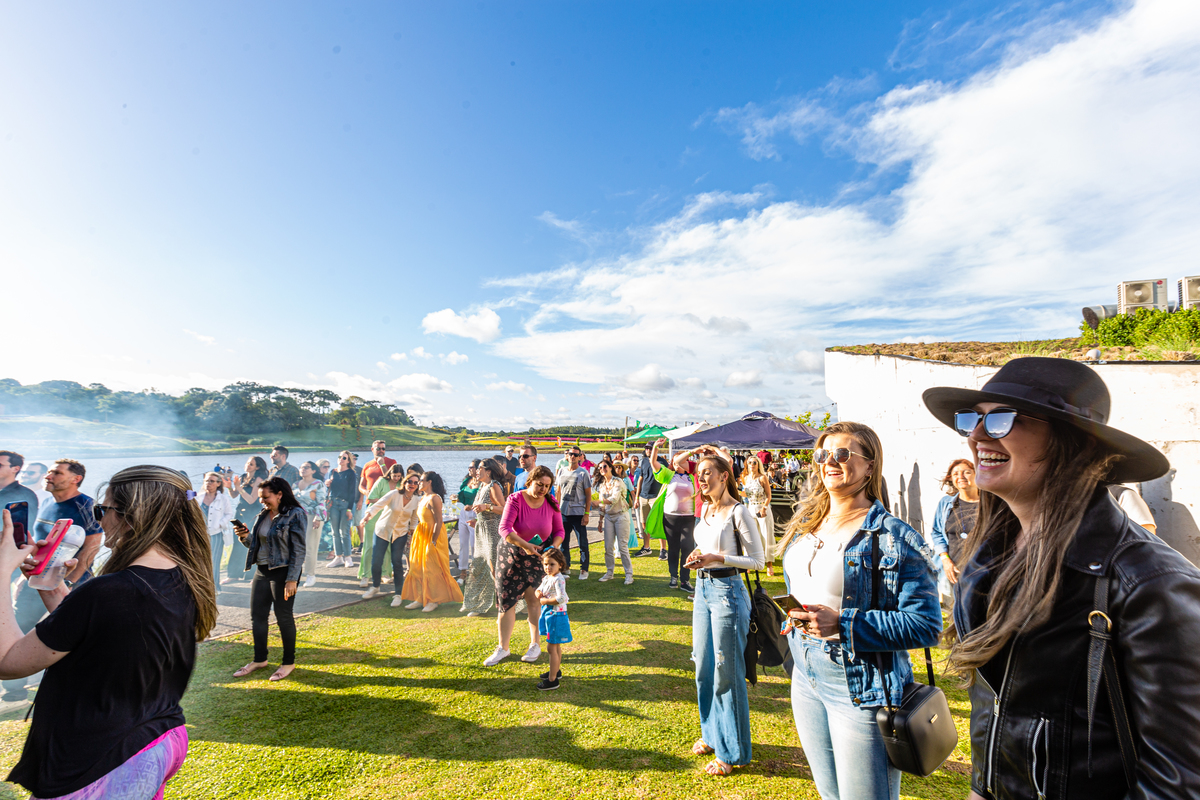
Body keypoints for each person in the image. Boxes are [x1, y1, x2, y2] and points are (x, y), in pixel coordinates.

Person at [922, 357, 1200, 800]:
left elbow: (1179, 782)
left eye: (1000, 419)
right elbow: (998, 705)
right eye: (972, 419)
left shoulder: (1148, 582)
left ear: (1073, 442)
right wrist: (983, 787)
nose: (976, 436)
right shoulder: (987, 557)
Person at [0, 465, 218, 799]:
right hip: (154, 737)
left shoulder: (109, 591)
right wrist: (50, 581)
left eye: (103, 510)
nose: (99, 521)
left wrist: (2, 570)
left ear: (132, 517)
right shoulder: (182, 576)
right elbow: (101, 629)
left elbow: (8, 661)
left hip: (99, 755)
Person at [777, 422, 943, 799]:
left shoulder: (894, 536)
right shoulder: (807, 524)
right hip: (805, 674)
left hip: (859, 682)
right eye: (823, 454)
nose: (829, 461)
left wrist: (843, 623)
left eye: (842, 453)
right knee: (830, 792)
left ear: (870, 466)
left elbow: (926, 624)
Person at [685, 448, 764, 776]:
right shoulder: (705, 508)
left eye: (707, 472)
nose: (701, 478)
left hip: (728, 593)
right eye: (699, 473)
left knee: (726, 671)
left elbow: (758, 561)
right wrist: (698, 554)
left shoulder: (738, 511)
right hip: (702, 590)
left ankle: (732, 751)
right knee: (703, 667)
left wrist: (718, 558)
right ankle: (711, 734)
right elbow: (706, 545)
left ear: (723, 475)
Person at [5, 459, 105, 702]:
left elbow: (91, 548)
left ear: (75, 479)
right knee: (21, 625)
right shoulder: (48, 502)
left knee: (70, 634)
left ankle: (77, 688)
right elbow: (42, 543)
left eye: (56, 473)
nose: (48, 476)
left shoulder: (86, 506)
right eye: (49, 471)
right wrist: (25, 575)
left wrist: (66, 584)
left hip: (69, 583)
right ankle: (14, 691)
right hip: (38, 578)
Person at [484, 466, 565, 667]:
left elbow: (559, 531)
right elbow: (504, 529)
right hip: (511, 555)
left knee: (534, 600)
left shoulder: (551, 503)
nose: (543, 489)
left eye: (547, 486)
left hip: (537, 557)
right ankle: (503, 648)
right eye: (539, 485)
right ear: (530, 482)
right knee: (506, 602)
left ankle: (535, 645)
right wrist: (525, 545)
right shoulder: (515, 499)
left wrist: (553, 548)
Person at [233, 477, 307, 682]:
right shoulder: (263, 514)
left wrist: (292, 579)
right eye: (260, 497)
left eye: (266, 497)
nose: (262, 501)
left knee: (284, 617)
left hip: (283, 572)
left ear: (279, 494)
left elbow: (299, 550)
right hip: (262, 570)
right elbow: (257, 545)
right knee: (257, 616)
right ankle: (260, 660)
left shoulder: (296, 514)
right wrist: (244, 536)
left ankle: (288, 663)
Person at [398, 472, 462, 613]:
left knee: (432, 568)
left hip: (432, 534)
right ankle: (420, 597)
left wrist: (433, 540)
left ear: (429, 482)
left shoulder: (434, 498)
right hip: (421, 534)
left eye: (421, 480)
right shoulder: (423, 497)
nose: (418, 483)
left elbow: (439, 521)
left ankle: (433, 600)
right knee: (418, 567)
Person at [644, 438, 699, 592]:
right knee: (673, 548)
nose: (680, 463)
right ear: (673, 463)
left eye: (683, 460)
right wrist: (655, 447)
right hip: (670, 518)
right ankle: (673, 577)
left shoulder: (691, 477)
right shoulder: (668, 475)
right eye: (677, 460)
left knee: (687, 547)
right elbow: (653, 462)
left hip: (689, 517)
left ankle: (685, 580)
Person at [361, 469, 420, 606]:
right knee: (377, 560)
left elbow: (414, 519)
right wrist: (367, 516)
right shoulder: (394, 494)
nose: (412, 484)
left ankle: (398, 594)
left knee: (397, 562)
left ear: (418, 485)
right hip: (383, 530)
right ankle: (375, 586)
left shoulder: (416, 500)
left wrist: (411, 535)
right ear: (404, 482)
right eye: (409, 481)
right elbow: (378, 505)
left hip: (400, 533)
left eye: (415, 483)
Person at [461, 459, 506, 617]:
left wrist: (486, 507)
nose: (476, 470)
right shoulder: (482, 486)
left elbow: (504, 509)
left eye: (480, 468)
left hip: (494, 533)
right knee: (480, 567)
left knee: (495, 569)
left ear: (488, 471)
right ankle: (479, 604)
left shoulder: (493, 485)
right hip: (482, 531)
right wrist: (476, 520)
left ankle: (506, 603)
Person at [930, 458, 978, 603]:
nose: (961, 476)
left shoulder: (989, 504)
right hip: (953, 571)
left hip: (981, 570)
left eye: (966, 472)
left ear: (977, 474)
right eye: (955, 474)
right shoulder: (946, 503)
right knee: (956, 609)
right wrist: (945, 559)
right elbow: (937, 532)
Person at [226, 456, 269, 584]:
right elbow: (234, 495)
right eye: (247, 463)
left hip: (252, 514)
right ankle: (234, 574)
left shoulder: (259, 479)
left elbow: (251, 499)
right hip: (240, 512)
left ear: (257, 467)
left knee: (251, 543)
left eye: (251, 464)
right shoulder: (243, 477)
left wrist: (239, 488)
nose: (247, 465)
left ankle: (253, 575)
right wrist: (230, 487)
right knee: (237, 543)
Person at [534, 546, 571, 691]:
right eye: (545, 564)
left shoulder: (559, 579)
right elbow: (541, 588)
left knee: (551, 647)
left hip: (556, 615)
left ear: (560, 565)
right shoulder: (547, 577)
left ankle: (552, 680)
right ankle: (556, 671)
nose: (548, 567)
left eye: (552, 564)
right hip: (549, 614)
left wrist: (545, 601)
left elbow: (562, 598)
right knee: (555, 645)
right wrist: (538, 592)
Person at [554, 448, 592, 579]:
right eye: (571, 454)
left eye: (576, 455)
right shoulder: (561, 471)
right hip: (563, 512)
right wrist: (556, 510)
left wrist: (587, 513)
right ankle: (565, 567)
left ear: (580, 457)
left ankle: (584, 569)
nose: (573, 457)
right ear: (567, 456)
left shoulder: (583, 473)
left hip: (578, 512)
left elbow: (588, 495)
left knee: (582, 543)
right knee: (564, 543)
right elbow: (558, 492)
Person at [596, 460, 634, 584]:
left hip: (621, 515)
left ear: (610, 467)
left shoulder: (618, 481)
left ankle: (629, 574)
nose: (602, 469)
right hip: (608, 517)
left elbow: (614, 499)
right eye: (600, 467)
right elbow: (602, 506)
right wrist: (600, 520)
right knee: (608, 547)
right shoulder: (602, 485)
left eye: (604, 466)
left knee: (622, 547)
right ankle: (609, 572)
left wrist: (599, 501)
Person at [197, 472, 234, 594]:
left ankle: (214, 588)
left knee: (214, 561)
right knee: (200, 560)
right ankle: (201, 588)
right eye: (206, 481)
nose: (208, 483)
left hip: (216, 534)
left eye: (211, 481)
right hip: (200, 534)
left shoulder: (223, 498)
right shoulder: (198, 497)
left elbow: (229, 514)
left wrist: (220, 524)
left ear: (218, 483)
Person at [293, 461, 328, 589]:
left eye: (306, 467)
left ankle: (310, 575)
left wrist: (318, 518)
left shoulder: (318, 484)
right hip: (297, 519)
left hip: (313, 517)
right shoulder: (295, 484)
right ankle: (295, 574)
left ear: (313, 470)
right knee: (296, 546)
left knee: (310, 547)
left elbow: (321, 502)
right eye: (301, 467)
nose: (303, 469)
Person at [741, 457, 775, 577]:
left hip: (762, 508)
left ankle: (769, 564)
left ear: (758, 464)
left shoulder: (762, 477)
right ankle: (749, 562)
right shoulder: (745, 478)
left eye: (754, 462)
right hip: (750, 508)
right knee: (750, 535)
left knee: (766, 535)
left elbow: (769, 495)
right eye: (749, 462)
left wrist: (764, 508)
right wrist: (737, 490)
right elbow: (746, 494)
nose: (752, 464)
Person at [326, 451, 358, 568]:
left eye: (344, 458)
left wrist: (349, 509)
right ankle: (338, 557)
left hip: (345, 504)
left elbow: (352, 492)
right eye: (340, 457)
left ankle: (348, 557)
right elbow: (330, 489)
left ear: (348, 461)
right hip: (333, 503)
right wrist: (327, 483)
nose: (341, 459)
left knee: (344, 532)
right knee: (335, 532)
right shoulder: (333, 471)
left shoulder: (351, 473)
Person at [633, 444, 665, 558]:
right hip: (643, 496)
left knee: (658, 522)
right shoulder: (644, 461)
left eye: (650, 448)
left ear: (656, 449)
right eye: (646, 448)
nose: (647, 450)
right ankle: (646, 547)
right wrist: (637, 498)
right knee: (644, 523)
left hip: (656, 496)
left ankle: (663, 550)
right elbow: (641, 479)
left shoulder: (662, 462)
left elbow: (666, 479)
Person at [456, 460, 482, 574]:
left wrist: (472, 506)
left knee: (474, 544)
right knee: (463, 544)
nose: (469, 469)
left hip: (475, 513)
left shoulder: (482, 483)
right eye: (469, 467)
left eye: (471, 467)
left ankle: (476, 571)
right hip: (464, 513)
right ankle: (463, 571)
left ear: (478, 469)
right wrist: (456, 498)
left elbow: (484, 500)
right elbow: (463, 496)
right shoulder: (467, 480)